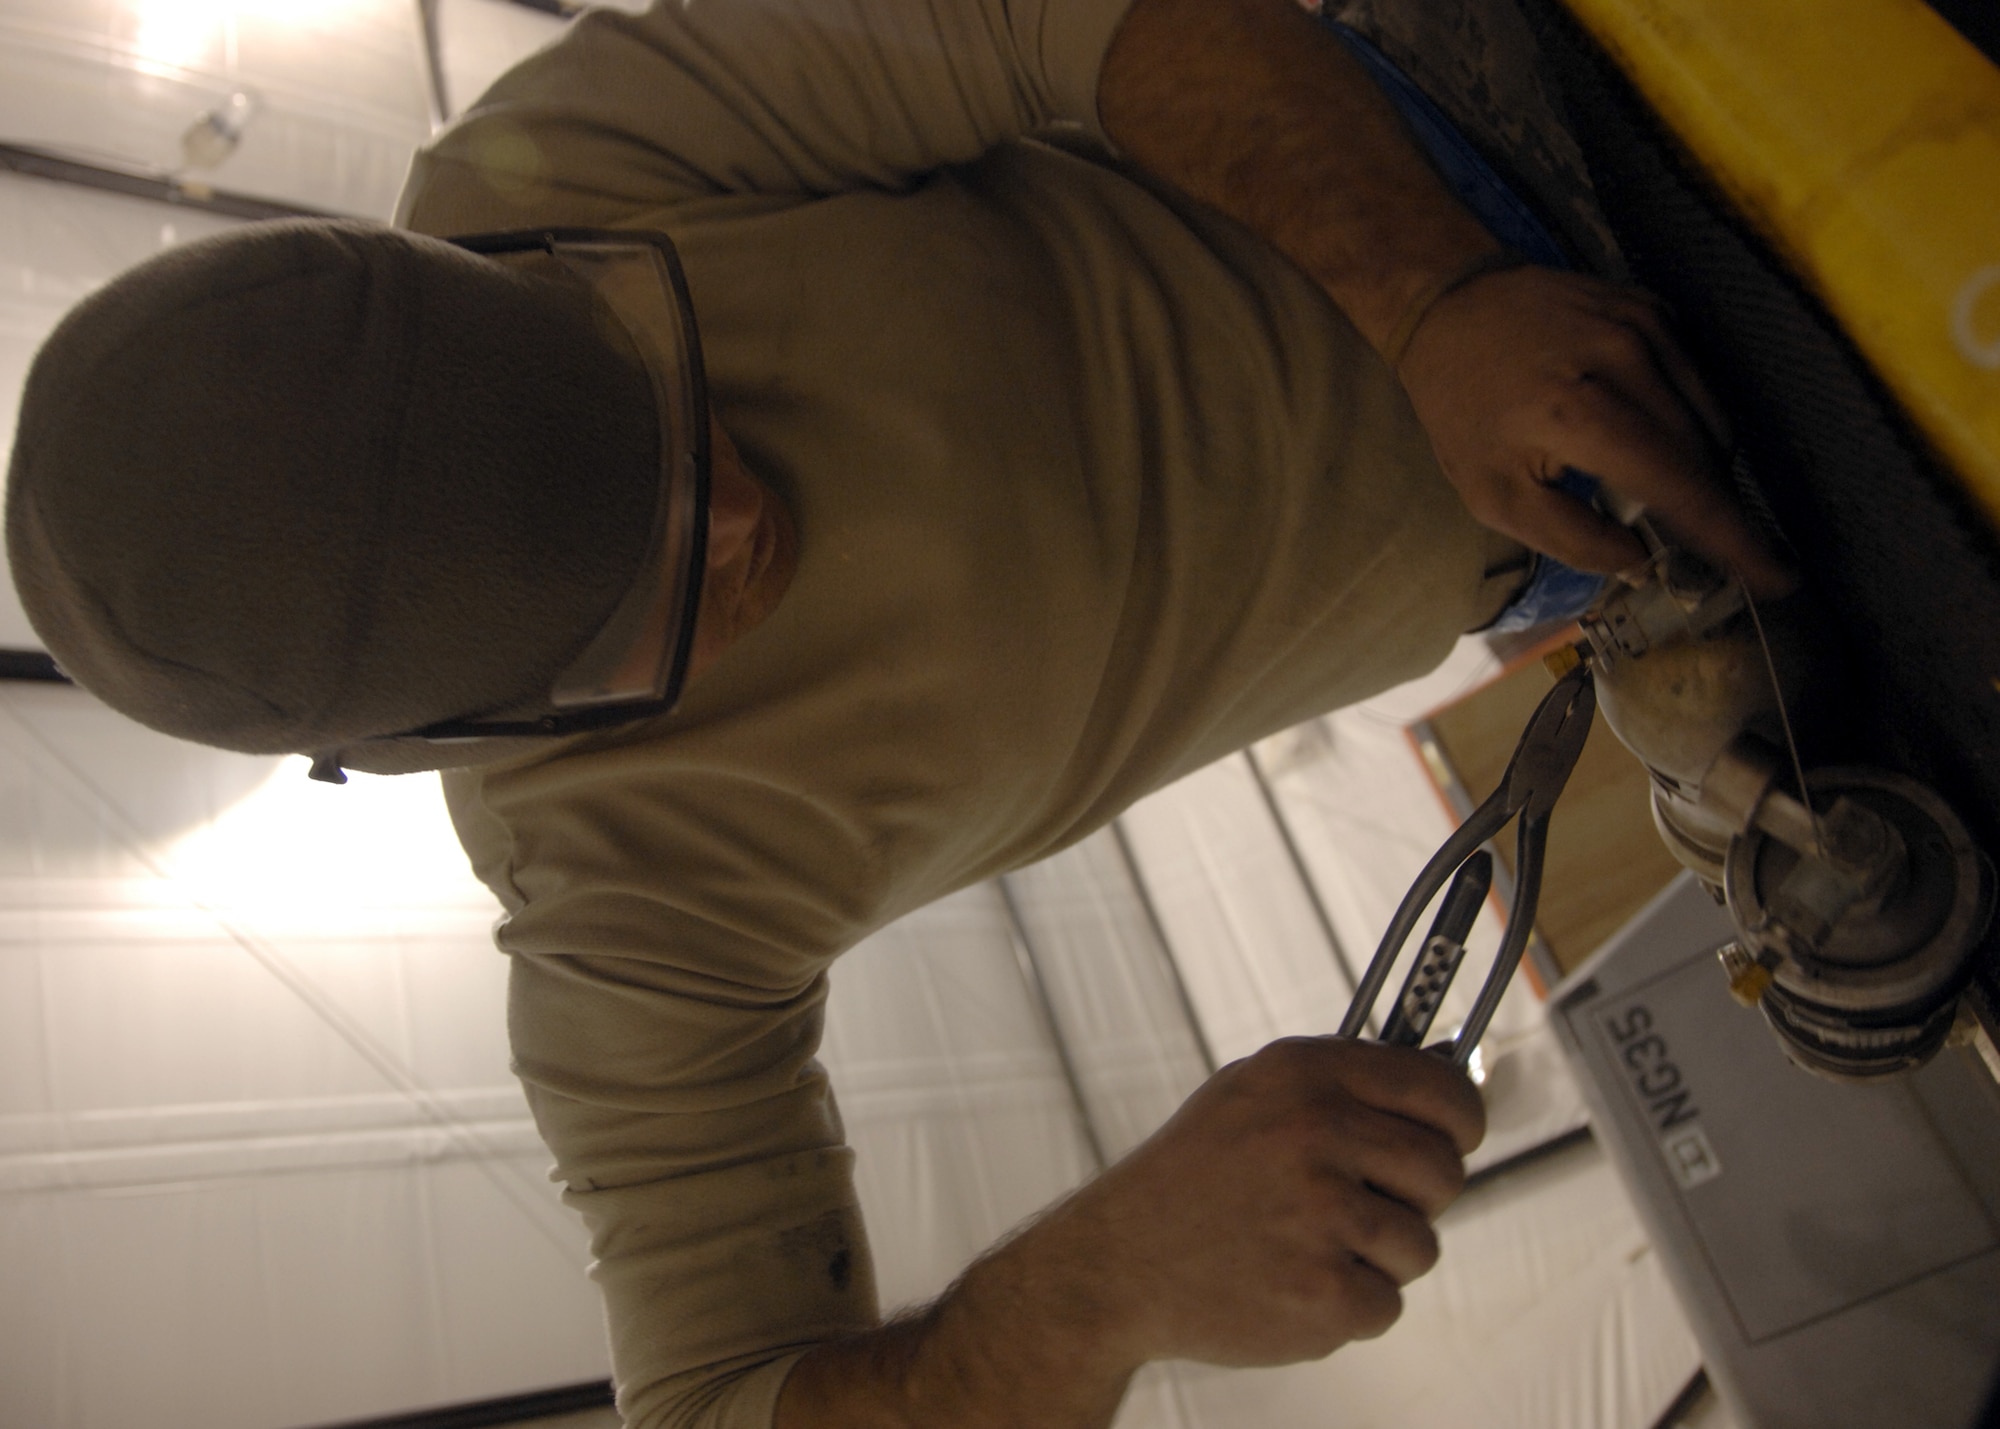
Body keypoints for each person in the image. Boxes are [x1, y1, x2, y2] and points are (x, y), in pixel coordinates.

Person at [4, 0, 1792, 1423]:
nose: (743, 514)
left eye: (644, 378)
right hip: (1575, 549)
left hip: (1432, 104)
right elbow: (710, 1402)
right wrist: (1103, 1288)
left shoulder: (562, 159)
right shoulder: (626, 910)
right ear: (435, 750)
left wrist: (1434, 298)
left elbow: (1060, 16)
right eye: (640, 603)